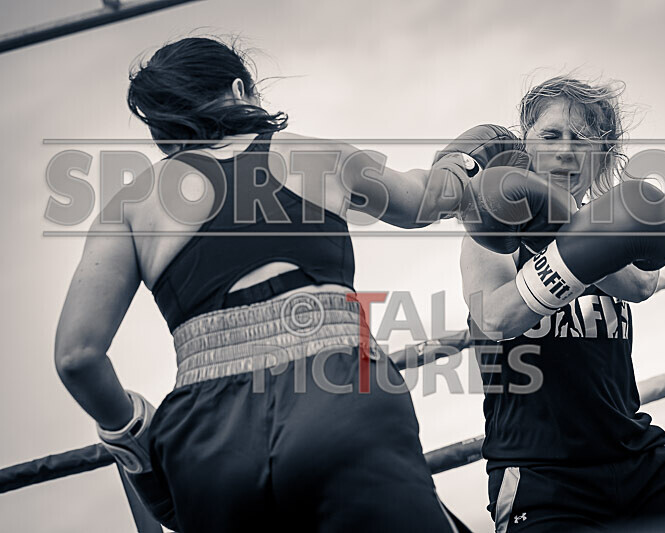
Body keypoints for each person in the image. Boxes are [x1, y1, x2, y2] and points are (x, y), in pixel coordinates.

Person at [53, 36, 474, 532]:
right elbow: (425, 200)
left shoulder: (130, 204)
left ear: (161, 130)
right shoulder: (316, 157)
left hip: (209, 446)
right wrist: (464, 165)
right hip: (339, 402)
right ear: (239, 89)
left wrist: (138, 441)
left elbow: (77, 356)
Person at [453, 76, 665, 531]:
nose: (565, 150)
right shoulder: (493, 230)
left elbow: (642, 282)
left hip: (637, 459)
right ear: (525, 146)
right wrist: (557, 238)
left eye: (581, 140)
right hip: (542, 478)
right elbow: (496, 316)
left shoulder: (616, 222)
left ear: (603, 157)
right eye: (551, 135)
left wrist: (563, 224)